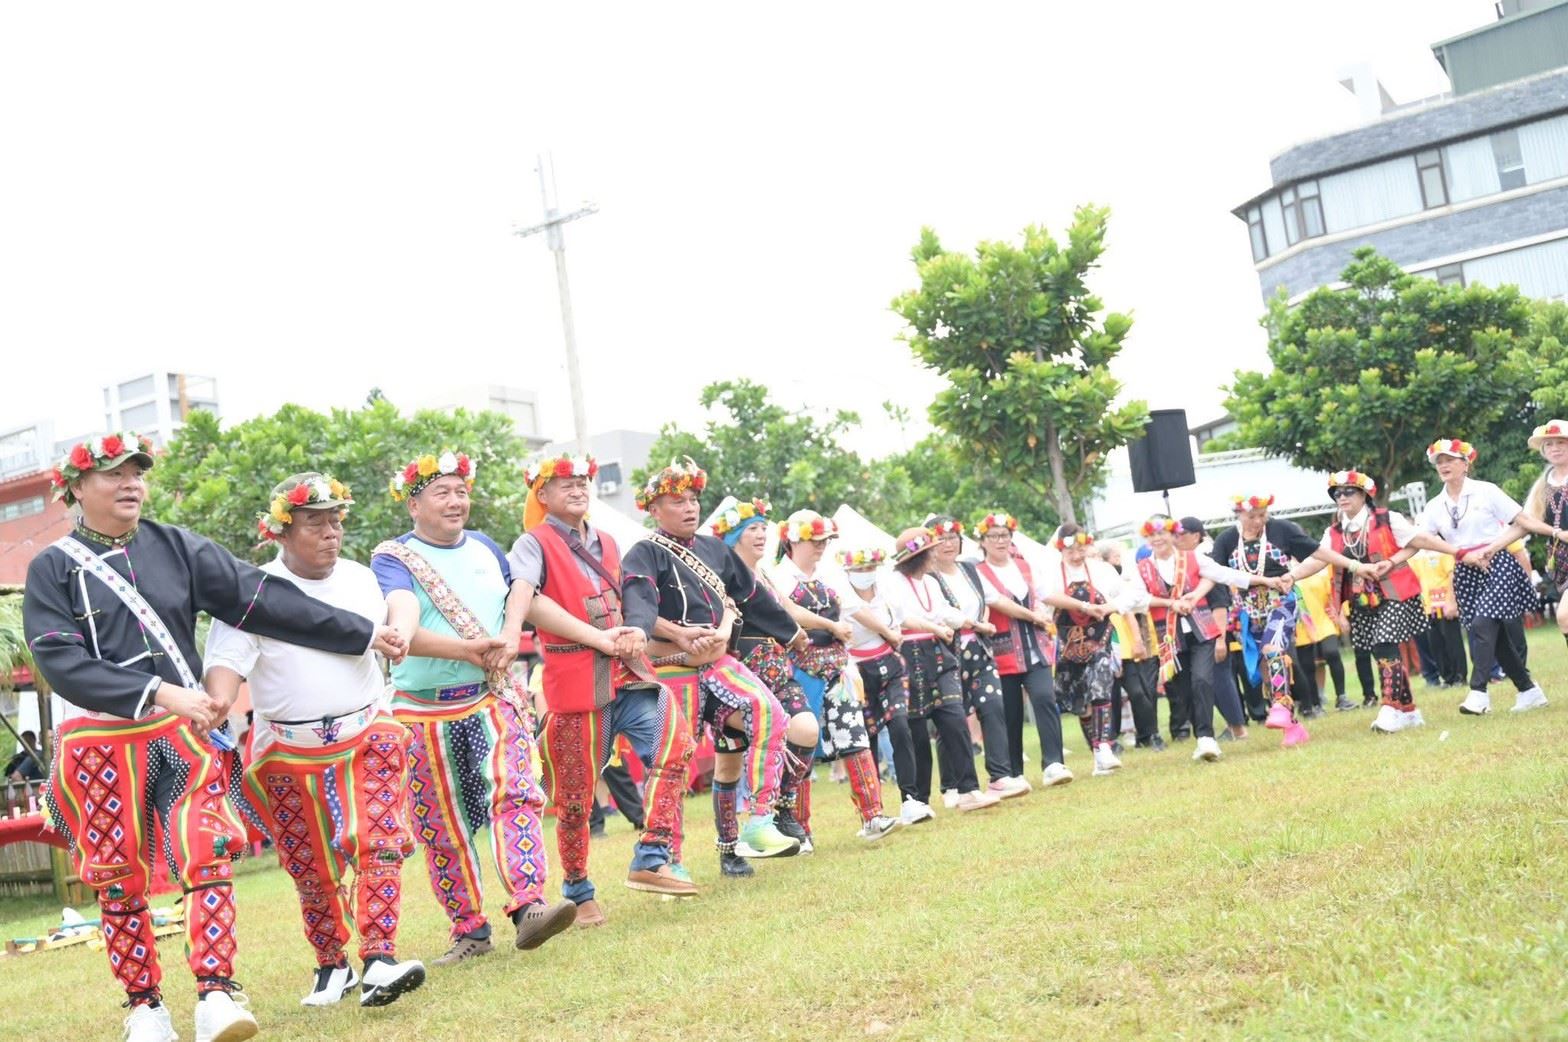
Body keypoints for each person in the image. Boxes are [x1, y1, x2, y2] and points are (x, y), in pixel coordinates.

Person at [24, 433, 404, 1042]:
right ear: (76, 487)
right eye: (114, 474)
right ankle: (144, 1008)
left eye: (137, 474)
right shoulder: (52, 567)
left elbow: (263, 600)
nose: (131, 484)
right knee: (118, 876)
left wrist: (359, 632)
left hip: (183, 732)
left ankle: (217, 993)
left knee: (209, 852)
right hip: (101, 739)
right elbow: (59, 659)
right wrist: (160, 692)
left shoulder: (176, 547)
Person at [204, 472, 425, 1008]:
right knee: (308, 864)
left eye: (335, 521)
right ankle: (332, 965)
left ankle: (379, 958)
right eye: (314, 523)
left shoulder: (359, 578)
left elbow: (397, 623)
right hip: (286, 749)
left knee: (378, 839)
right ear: (281, 531)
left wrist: (403, 633)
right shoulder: (252, 592)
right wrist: (213, 705)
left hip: (367, 731)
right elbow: (225, 663)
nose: (330, 533)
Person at [374, 450, 577, 966]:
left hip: (491, 696)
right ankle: (469, 930)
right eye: (441, 492)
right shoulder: (393, 558)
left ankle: (529, 905)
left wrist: (588, 635)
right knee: (441, 825)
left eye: (461, 492)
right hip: (421, 712)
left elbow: (522, 601)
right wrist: (465, 649)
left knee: (517, 793)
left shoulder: (486, 546)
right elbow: (400, 626)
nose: (455, 501)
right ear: (413, 504)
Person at [507, 454, 698, 929]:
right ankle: (577, 890)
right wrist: (511, 635)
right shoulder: (532, 542)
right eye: (564, 484)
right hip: (576, 676)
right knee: (575, 797)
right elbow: (524, 593)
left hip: (628, 668)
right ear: (542, 495)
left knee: (676, 744)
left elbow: (628, 601)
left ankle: (651, 853)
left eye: (582, 482)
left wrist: (675, 633)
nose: (577, 489)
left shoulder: (609, 541)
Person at [620, 458, 804, 877]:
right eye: (677, 501)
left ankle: (760, 821)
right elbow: (638, 605)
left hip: (718, 661)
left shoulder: (715, 549)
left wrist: (791, 631)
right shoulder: (644, 553)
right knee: (674, 759)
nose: (690, 508)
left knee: (770, 712)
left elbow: (751, 596)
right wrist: (676, 633)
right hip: (672, 666)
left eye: (693, 499)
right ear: (654, 509)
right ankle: (670, 859)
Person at [1291, 470, 1468, 734]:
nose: (1342, 497)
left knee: (1384, 644)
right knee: (1379, 650)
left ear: (1364, 494)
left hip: (1396, 592)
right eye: (1337, 494)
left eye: (1348, 492)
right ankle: (1409, 711)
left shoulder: (1387, 518)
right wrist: (1290, 576)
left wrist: (1458, 552)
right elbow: (1318, 560)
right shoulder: (1334, 532)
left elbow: (1419, 540)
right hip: (1361, 598)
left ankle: (1390, 709)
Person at [773, 510, 902, 840]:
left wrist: (886, 631)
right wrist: (831, 626)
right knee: (802, 746)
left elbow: (854, 610)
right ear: (793, 540)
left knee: (854, 736)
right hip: (799, 671)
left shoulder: (829, 573)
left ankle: (873, 815)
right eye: (815, 540)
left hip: (837, 667)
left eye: (825, 540)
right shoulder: (779, 576)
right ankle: (799, 830)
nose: (821, 546)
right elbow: (787, 612)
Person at [1211, 494, 1375, 748]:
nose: (1258, 521)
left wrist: (1354, 566)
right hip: (1248, 611)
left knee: (1273, 649)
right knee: (1267, 668)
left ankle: (1280, 706)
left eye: (1262, 515)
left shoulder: (1281, 530)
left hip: (1282, 602)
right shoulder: (1226, 540)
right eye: (1252, 517)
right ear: (1239, 515)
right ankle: (1293, 727)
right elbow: (1214, 574)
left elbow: (1319, 552)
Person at [1135, 515, 1278, 763]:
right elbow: (1136, 598)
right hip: (1170, 635)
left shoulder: (1192, 558)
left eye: (1162, 534)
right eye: (1152, 535)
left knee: (1202, 679)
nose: (1158, 539)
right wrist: (1170, 603)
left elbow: (1223, 574)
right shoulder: (1142, 567)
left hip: (1201, 630)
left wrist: (1265, 580)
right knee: (1183, 690)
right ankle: (1201, 734)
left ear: (1172, 535)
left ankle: (1206, 737)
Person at [1421, 439, 1549, 714]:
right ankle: (1529, 690)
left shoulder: (1486, 491)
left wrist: (1555, 532)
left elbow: (1522, 522)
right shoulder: (1434, 505)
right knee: (1495, 636)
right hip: (1465, 569)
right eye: (1439, 461)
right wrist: (1392, 561)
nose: (1443, 465)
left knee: (1482, 623)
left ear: (1465, 464)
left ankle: (1478, 691)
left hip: (1497, 562)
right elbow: (1422, 539)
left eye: (1450, 459)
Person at [886, 526, 1000, 814]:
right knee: (916, 730)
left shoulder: (930, 582)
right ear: (919, 556)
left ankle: (968, 790)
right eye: (930, 551)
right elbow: (902, 618)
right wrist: (935, 627)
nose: (936, 554)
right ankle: (917, 801)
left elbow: (943, 611)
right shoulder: (893, 583)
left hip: (938, 654)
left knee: (954, 717)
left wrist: (973, 623)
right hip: (908, 656)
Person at [925, 515, 1028, 801]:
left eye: (952, 538)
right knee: (953, 718)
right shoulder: (928, 578)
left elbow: (991, 599)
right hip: (947, 654)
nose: (948, 544)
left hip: (979, 649)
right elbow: (939, 613)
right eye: (941, 539)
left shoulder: (970, 569)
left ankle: (1000, 776)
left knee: (993, 706)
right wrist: (975, 623)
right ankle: (952, 785)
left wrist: (1028, 616)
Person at [1038, 524, 1149, 776]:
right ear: (1060, 549)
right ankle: (1098, 754)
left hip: (1101, 638)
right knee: (1080, 703)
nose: (1076, 556)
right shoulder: (1051, 572)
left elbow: (1135, 594)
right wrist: (1083, 607)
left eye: (1081, 550)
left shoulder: (1101, 570)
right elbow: (1044, 596)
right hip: (1068, 643)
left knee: (1101, 686)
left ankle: (1104, 747)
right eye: (1071, 551)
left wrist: (1110, 607)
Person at [973, 512, 1070, 788]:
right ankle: (1014, 771)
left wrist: (1078, 606)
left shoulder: (1025, 566)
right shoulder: (978, 572)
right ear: (983, 541)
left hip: (1035, 646)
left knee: (1045, 698)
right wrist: (1033, 615)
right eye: (993, 536)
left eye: (1004, 535)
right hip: (1001, 650)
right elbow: (998, 602)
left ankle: (1053, 762)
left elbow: (1044, 594)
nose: (1000, 541)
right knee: (1010, 712)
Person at [837, 547, 929, 825]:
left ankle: (910, 798)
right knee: (867, 739)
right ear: (848, 571)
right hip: (858, 670)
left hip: (890, 665)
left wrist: (933, 628)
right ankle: (873, 810)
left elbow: (902, 621)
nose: (865, 574)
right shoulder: (842, 598)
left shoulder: (887, 595)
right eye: (859, 569)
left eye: (869, 568)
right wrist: (887, 631)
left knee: (900, 725)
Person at [1487, 420, 1568, 649]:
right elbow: (1524, 524)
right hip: (1561, 562)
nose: (1555, 448)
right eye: (1549, 444)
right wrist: (1492, 548)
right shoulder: (1543, 485)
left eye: (1561, 442)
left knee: (1564, 616)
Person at [1174, 518, 1252, 739]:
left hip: (1213, 630)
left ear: (1196, 535)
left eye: (1182, 534)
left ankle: (1238, 728)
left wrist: (1219, 639)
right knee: (1208, 682)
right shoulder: (1185, 562)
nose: (1177, 539)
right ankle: (1232, 726)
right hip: (1196, 631)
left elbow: (1219, 603)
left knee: (1220, 679)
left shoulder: (1206, 558)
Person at [1409, 548, 1468, 687]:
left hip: (1444, 605)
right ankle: (1447, 678)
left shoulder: (1442, 551)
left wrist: (1452, 601)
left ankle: (1460, 677)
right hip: (1428, 607)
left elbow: (1452, 575)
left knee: (1452, 642)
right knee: (1436, 645)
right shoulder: (1416, 556)